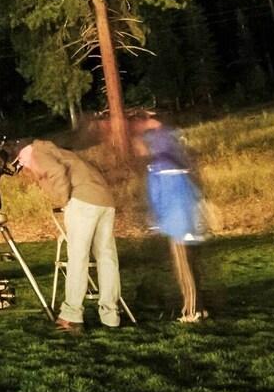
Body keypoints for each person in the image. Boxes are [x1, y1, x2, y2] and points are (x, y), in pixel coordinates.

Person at [13, 138, 121, 334]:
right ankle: (110, 316)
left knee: (78, 258)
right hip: (105, 201)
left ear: (24, 153)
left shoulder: (37, 152)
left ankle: (72, 316)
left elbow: (56, 172)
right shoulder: (60, 152)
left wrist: (65, 201)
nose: (25, 166)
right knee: (106, 258)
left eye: (22, 162)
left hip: (83, 201)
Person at [135, 111, 207, 322]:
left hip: (176, 223)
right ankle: (199, 307)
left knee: (183, 267)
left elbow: (157, 197)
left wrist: (157, 221)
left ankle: (191, 311)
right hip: (188, 219)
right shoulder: (179, 163)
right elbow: (194, 192)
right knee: (191, 265)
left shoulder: (157, 166)